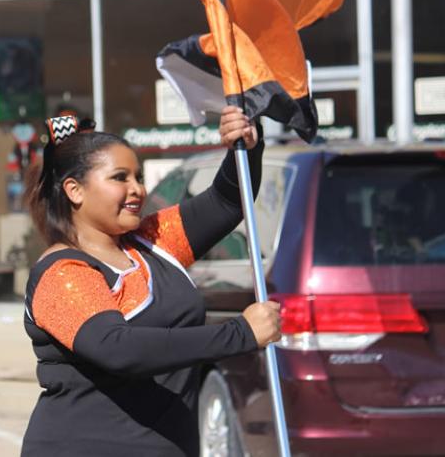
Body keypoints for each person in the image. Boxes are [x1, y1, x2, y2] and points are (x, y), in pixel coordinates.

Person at [21, 107, 281, 457]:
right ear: (75, 190)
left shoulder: (152, 242)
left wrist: (247, 144)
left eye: (138, 176)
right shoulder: (61, 272)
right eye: (120, 178)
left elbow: (226, 201)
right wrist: (240, 334)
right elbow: (118, 348)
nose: (137, 189)